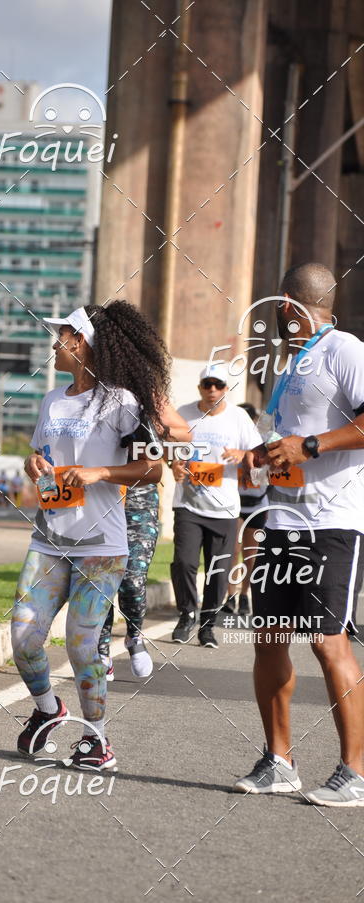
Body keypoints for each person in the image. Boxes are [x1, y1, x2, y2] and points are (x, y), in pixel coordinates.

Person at [12, 301, 169, 770]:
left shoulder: (122, 402)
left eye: (60, 335)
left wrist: (102, 471)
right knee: (23, 638)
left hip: (102, 548)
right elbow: (41, 454)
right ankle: (48, 712)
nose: (53, 343)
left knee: (81, 644)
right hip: (49, 540)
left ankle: (97, 739)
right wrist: (33, 463)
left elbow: (153, 468)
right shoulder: (52, 400)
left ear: (80, 342)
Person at [234, 262, 364, 806]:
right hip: (281, 519)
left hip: (331, 522)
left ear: (288, 306)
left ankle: (354, 773)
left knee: (326, 641)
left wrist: (310, 446)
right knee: (269, 640)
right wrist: (258, 457)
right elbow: (284, 441)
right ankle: (279, 760)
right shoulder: (294, 365)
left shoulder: (346, 350)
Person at [98, 402, 191, 681]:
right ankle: (101, 649)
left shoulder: (144, 395)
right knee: (102, 579)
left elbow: (184, 434)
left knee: (133, 579)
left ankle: (134, 636)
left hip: (140, 502)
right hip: (101, 499)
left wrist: (160, 429)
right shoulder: (93, 397)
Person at [170, 363, 261, 648]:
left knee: (218, 570)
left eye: (218, 385)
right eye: (207, 384)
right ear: (200, 387)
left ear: (226, 389)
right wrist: (173, 464)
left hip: (224, 508)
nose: (212, 390)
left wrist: (243, 453)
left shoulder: (239, 418)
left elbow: (260, 456)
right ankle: (187, 613)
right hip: (188, 503)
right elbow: (168, 450)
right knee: (184, 562)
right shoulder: (183, 414)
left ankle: (207, 626)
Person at [223, 402, 268, 616]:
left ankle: (244, 596)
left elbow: (265, 477)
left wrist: (248, 461)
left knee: (252, 555)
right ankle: (230, 596)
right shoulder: (230, 441)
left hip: (258, 505)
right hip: (235, 503)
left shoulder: (263, 443)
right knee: (233, 551)